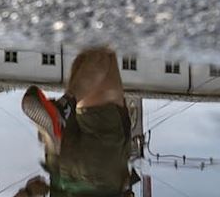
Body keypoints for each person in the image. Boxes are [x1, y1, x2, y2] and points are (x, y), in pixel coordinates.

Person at [15, 47, 138, 197]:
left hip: (100, 180)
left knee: (101, 55)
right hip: (62, 171)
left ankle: (62, 112)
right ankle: (62, 112)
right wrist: (29, 192)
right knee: (86, 60)